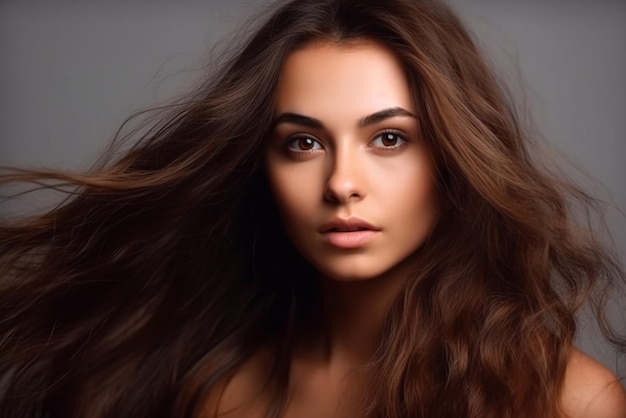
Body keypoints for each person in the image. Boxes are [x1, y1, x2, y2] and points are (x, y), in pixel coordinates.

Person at [1, 0, 625, 417]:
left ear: (453, 159)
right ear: (262, 168)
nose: (341, 183)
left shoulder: (568, 400)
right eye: (303, 143)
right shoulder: (221, 394)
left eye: (389, 139)